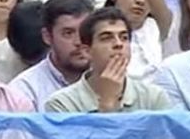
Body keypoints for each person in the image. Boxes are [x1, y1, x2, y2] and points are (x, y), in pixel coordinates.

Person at [44, 6, 173, 112]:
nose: (118, 44)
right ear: (87, 51)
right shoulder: (62, 104)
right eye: (106, 38)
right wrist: (107, 105)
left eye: (124, 37)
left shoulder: (153, 98)